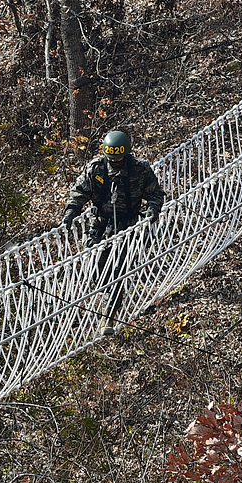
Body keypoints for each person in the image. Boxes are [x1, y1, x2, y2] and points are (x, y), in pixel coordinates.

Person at [61, 131, 165, 335]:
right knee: (96, 270)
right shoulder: (96, 168)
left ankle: (108, 316)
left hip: (128, 227)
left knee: (118, 271)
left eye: (118, 158)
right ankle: (107, 298)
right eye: (111, 158)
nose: (115, 162)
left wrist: (153, 208)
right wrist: (72, 211)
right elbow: (80, 192)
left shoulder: (139, 169)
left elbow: (155, 193)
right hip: (99, 224)